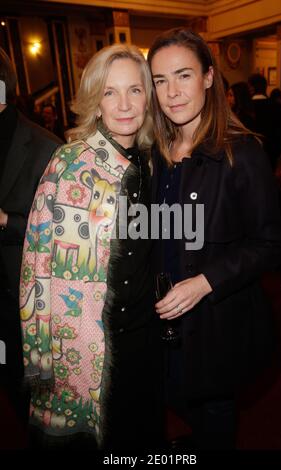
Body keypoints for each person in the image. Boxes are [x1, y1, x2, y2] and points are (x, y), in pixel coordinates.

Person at [147, 29, 281, 450]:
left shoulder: (240, 152)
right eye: (159, 80)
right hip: (161, 319)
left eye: (183, 76)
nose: (171, 93)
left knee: (214, 417)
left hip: (216, 322)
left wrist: (205, 281)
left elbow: (271, 243)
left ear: (209, 77)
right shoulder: (154, 149)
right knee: (175, 404)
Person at [19, 44, 162, 451]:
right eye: (110, 91)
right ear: (95, 102)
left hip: (141, 337)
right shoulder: (67, 164)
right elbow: (35, 265)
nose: (123, 104)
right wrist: (39, 358)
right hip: (82, 345)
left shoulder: (152, 162)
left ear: (147, 98)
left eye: (134, 90)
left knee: (139, 437)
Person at [0, 48, 62, 427]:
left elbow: (62, 234)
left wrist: (6, 220)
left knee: (41, 408)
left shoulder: (47, 148)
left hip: (27, 306)